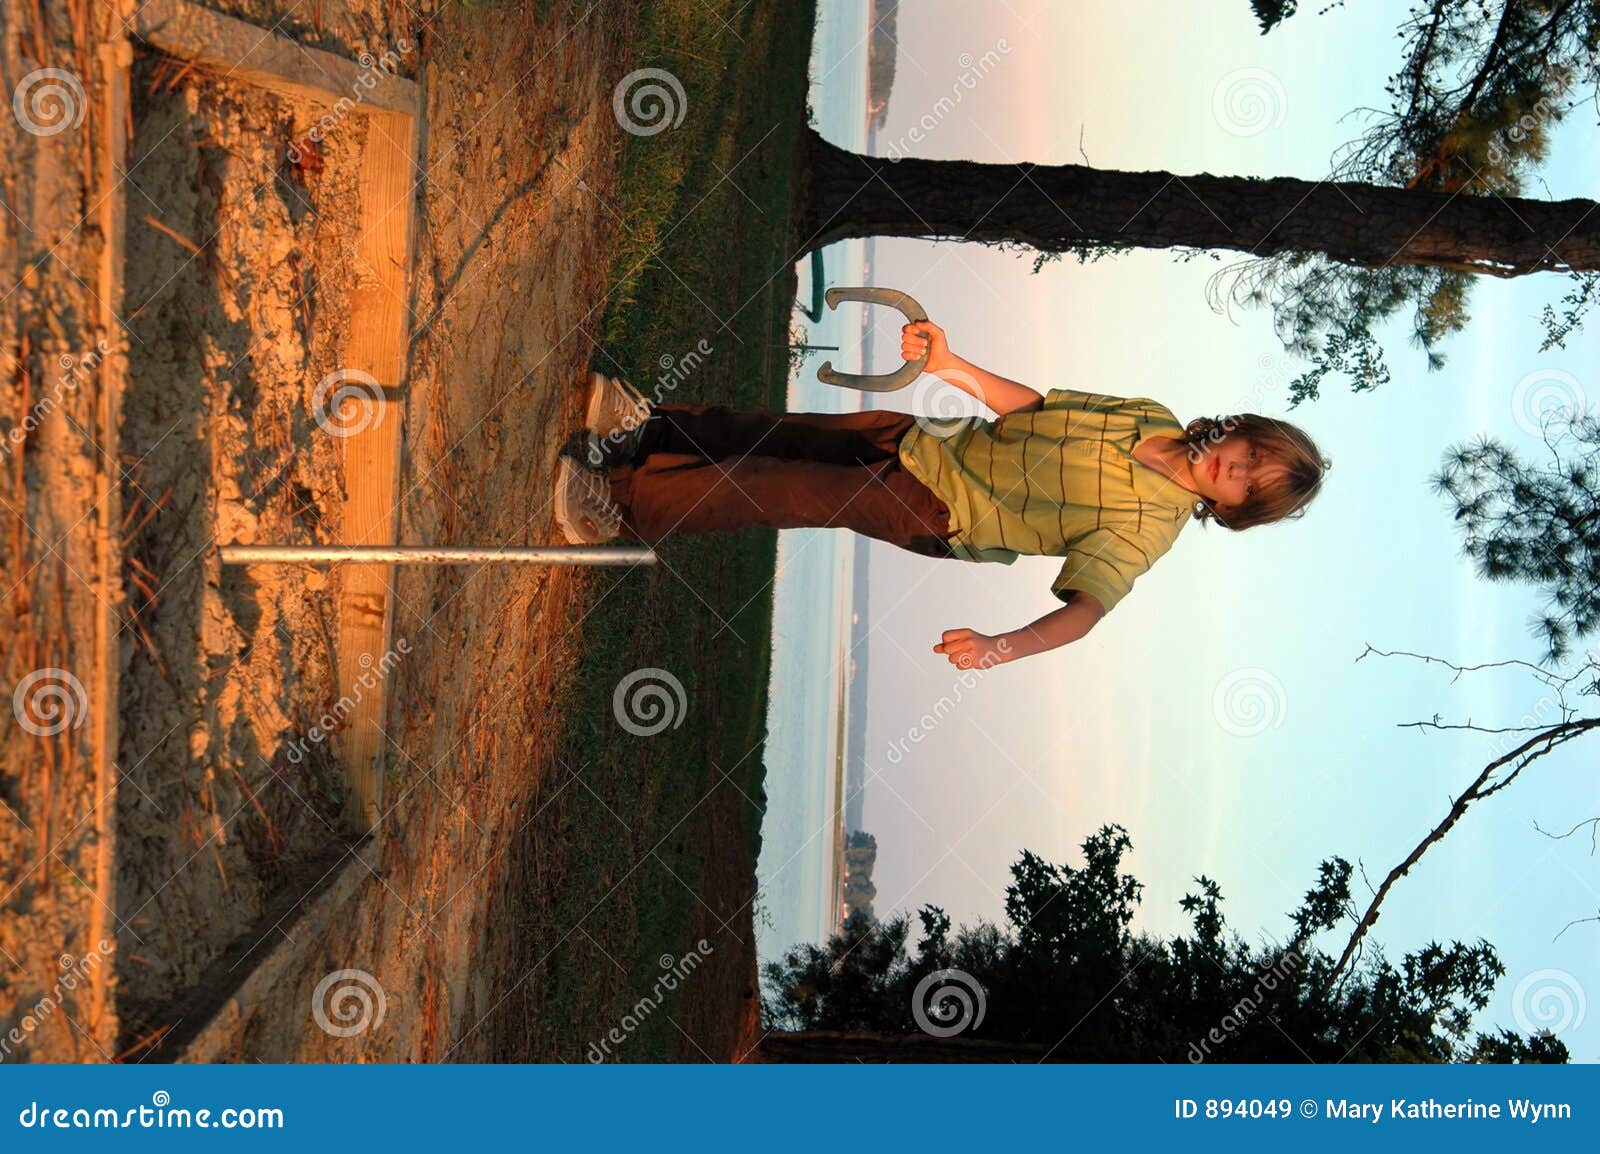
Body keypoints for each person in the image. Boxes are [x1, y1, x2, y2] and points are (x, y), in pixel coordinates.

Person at [554, 319, 1330, 669]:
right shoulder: (1150, 415)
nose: (1235, 470)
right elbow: (1033, 407)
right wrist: (950, 366)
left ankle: (616, 507)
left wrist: (1004, 646)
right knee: (776, 434)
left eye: (1248, 487)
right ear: (1239, 432)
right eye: (1249, 454)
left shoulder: (1148, 529)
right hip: (924, 438)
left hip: (938, 511)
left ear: (1234, 510)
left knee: (775, 488)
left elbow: (1087, 613)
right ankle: (641, 434)